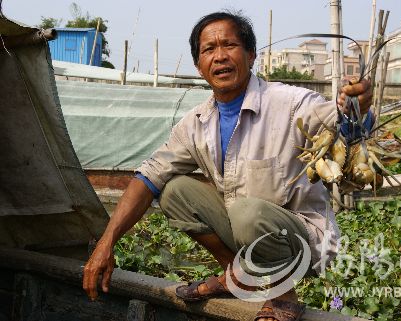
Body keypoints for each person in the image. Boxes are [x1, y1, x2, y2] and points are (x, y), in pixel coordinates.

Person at [83, 10, 372, 321]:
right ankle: (236, 276)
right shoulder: (196, 123)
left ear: (250, 55)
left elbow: (342, 124)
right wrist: (106, 242)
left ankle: (283, 295)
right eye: (209, 49)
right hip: (246, 228)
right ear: (199, 66)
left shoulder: (290, 102)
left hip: (302, 238)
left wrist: (356, 106)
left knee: (246, 212)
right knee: (173, 191)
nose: (219, 57)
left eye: (229, 45)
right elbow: (148, 176)